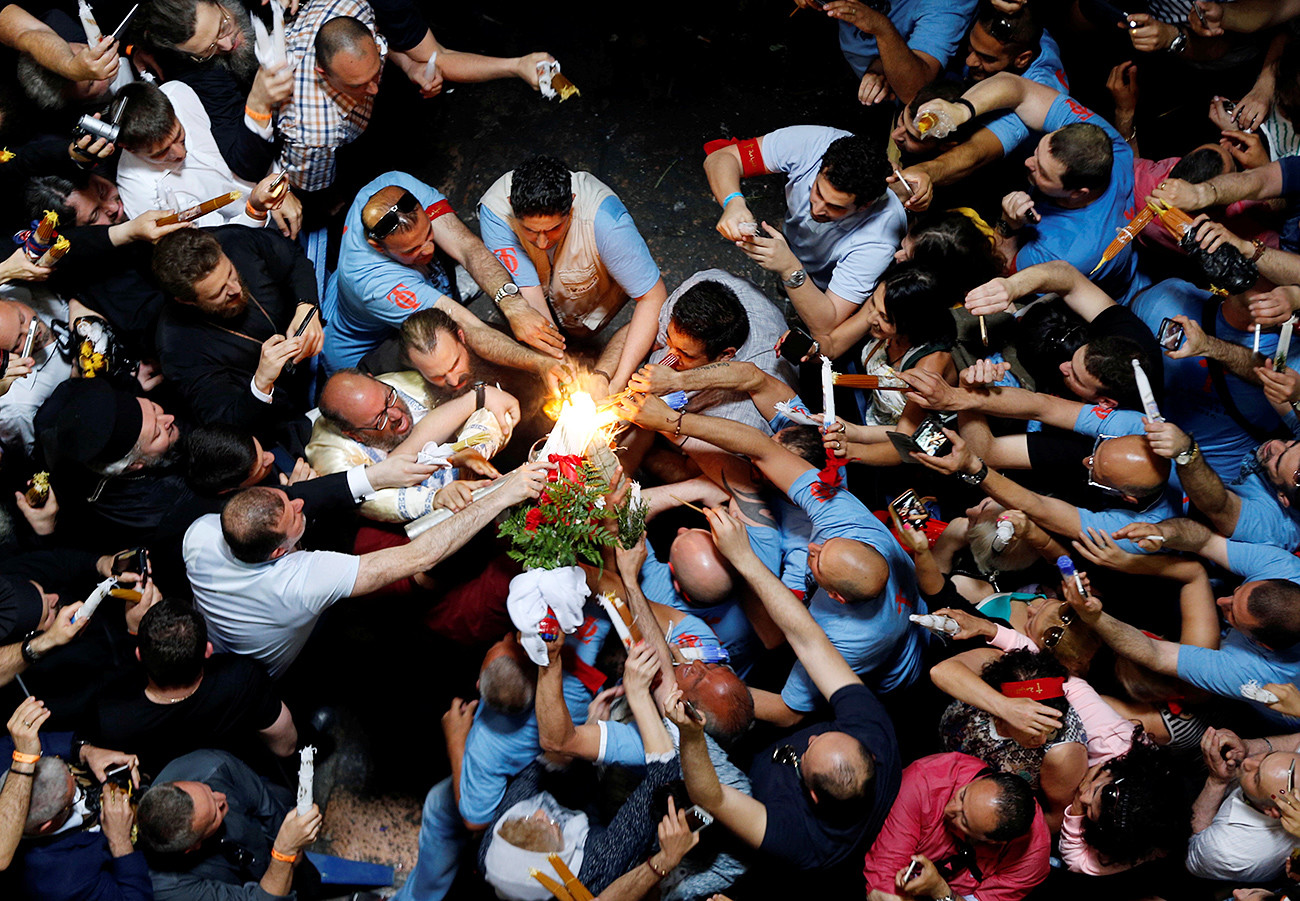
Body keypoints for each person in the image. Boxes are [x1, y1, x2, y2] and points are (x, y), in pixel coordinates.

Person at [666, 505, 900, 870]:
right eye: (823, 735)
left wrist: (690, 734)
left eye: (810, 751)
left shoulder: (801, 839)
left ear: (812, 796)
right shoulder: (874, 735)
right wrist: (744, 559)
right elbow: (809, 641)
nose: (810, 737)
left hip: (742, 782)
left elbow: (710, 796)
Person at [183, 462, 547, 677]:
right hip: (264, 668)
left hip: (218, 628)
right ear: (280, 551)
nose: (298, 500)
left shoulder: (199, 532)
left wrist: (381, 473)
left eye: (285, 496)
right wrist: (504, 494)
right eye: (294, 513)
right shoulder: (301, 581)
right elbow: (419, 557)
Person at [915, 74, 1146, 303]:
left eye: (1043, 172)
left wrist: (1008, 224)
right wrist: (962, 110)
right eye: (1038, 150)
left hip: (1106, 300)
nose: (1029, 162)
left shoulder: (1068, 250)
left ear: (1078, 193)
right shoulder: (1106, 146)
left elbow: (1001, 272)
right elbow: (1018, 88)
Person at [325, 170, 565, 372]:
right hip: (366, 351)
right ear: (378, 247)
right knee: (448, 362)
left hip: (378, 290)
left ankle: (428, 282)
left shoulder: (395, 185)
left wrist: (514, 305)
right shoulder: (375, 285)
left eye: (429, 234)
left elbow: (467, 247)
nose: (429, 249)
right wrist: (541, 364)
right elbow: (468, 328)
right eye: (413, 249)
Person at [478, 155, 668, 392]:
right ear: (510, 203)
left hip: (586, 302)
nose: (542, 241)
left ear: (573, 203)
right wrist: (558, 363)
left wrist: (618, 380)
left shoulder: (607, 223)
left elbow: (652, 296)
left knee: (584, 332)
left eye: (554, 228)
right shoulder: (496, 214)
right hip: (539, 292)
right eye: (530, 230)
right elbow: (530, 297)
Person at [705, 126, 907, 338]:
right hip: (796, 242)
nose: (817, 208)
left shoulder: (879, 240)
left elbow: (826, 323)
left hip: (823, 284)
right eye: (818, 190)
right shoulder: (813, 144)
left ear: (865, 206)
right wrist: (733, 202)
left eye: (835, 207)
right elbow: (722, 158)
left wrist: (790, 268)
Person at [151, 226, 323, 439]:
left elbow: (294, 261)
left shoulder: (235, 239)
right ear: (186, 301)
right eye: (218, 293)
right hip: (282, 417)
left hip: (318, 353)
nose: (235, 289)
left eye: (231, 273)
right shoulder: (177, 347)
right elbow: (226, 422)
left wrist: (306, 305)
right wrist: (261, 382)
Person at [93, 600, 297, 775]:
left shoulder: (113, 717)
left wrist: (131, 632)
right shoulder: (241, 678)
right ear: (208, 650)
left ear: (139, 655)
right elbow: (286, 746)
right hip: (237, 776)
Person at [307, 368, 514, 522]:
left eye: (390, 398)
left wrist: (472, 451)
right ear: (355, 435)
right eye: (380, 420)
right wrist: (436, 499)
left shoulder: (396, 384)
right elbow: (378, 501)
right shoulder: (331, 456)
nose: (396, 415)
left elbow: (488, 409)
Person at [112, 81, 301, 235]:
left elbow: (243, 134)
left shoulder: (180, 94)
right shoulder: (141, 195)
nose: (180, 153)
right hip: (253, 231)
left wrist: (279, 183)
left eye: (180, 136)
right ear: (128, 149)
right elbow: (214, 240)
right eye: (160, 153)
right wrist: (258, 210)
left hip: (284, 175)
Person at [136, 749, 322, 901]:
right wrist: (284, 852)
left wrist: (289, 845)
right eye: (216, 813)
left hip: (268, 848)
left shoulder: (210, 766)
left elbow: (265, 806)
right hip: (247, 888)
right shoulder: (171, 888)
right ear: (193, 846)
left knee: (310, 883)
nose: (221, 798)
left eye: (209, 790)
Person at [861, 752, 1050, 901]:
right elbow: (883, 880)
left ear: (993, 841)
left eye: (964, 821)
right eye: (962, 795)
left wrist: (939, 890)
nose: (949, 809)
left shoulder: (1031, 858)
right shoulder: (924, 781)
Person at [816, 0, 979, 106]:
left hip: (895, 102)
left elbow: (914, 90)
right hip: (841, 68)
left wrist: (882, 28)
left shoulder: (947, 4)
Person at [1188, 729, 1300, 882]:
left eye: (1256, 777)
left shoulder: (1228, 851)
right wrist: (1248, 747)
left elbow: (1191, 848)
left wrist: (1216, 783)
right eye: (1267, 757)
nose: (1248, 762)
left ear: (1270, 811)